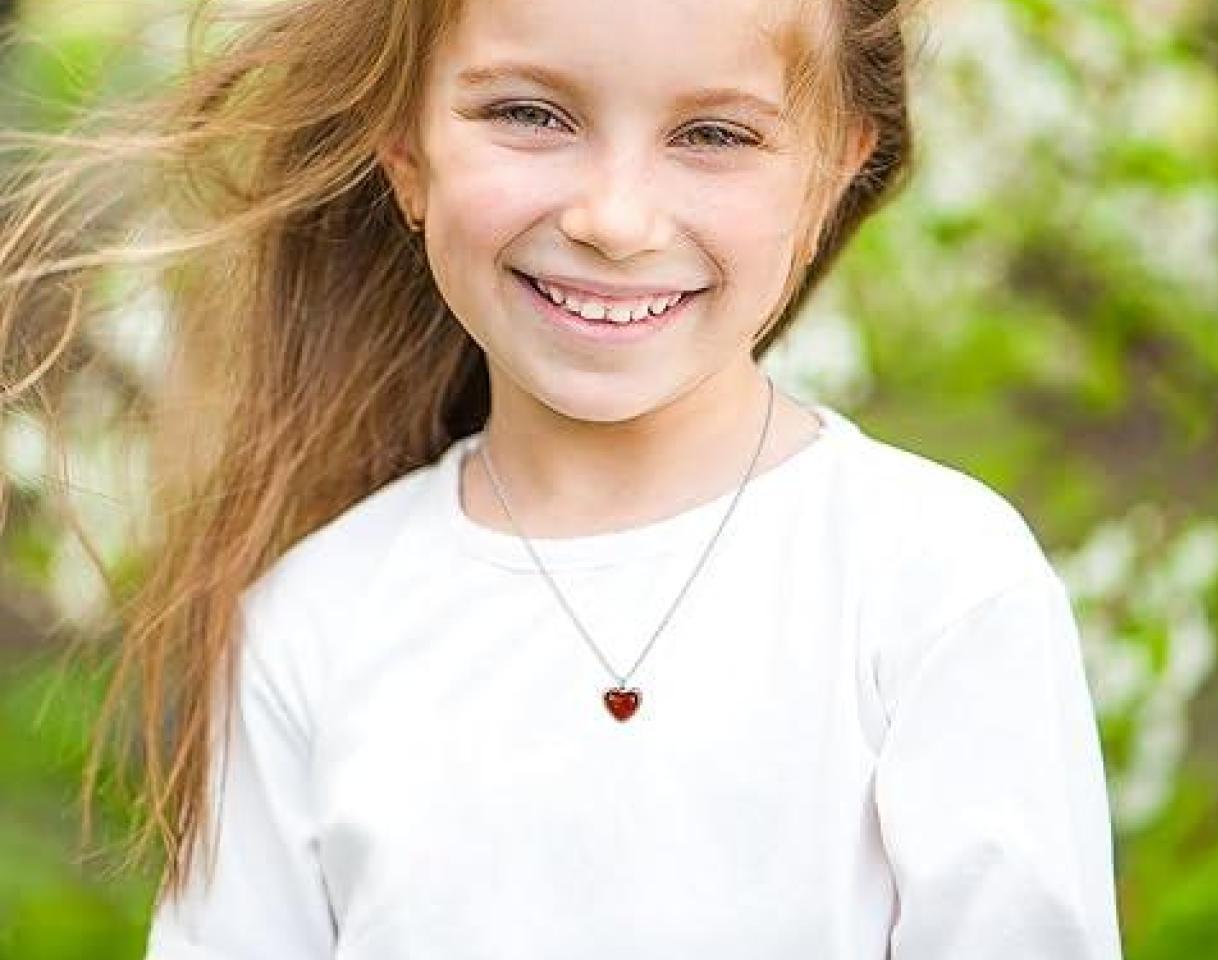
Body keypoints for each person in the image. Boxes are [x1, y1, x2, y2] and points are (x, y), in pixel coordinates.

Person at [0, 0, 1124, 956]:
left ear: (831, 173)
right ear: (405, 153)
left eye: (715, 135)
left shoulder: (935, 585)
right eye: (529, 115)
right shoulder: (314, 624)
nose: (612, 219)